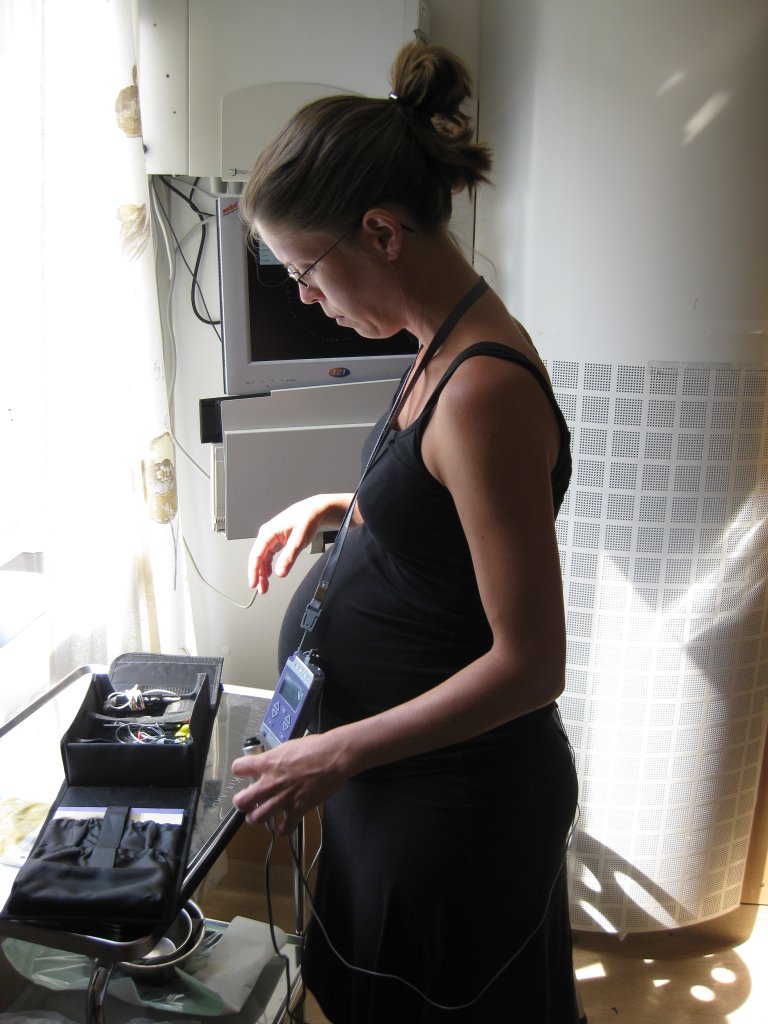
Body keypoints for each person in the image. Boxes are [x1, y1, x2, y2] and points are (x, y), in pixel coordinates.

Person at [231, 40, 582, 1024]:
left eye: (306, 269)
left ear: (381, 231)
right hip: (397, 780)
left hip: (456, 800)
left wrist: (336, 754)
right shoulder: (438, 340)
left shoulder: (482, 391)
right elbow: (446, 512)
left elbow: (532, 665)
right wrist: (342, 507)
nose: (306, 297)